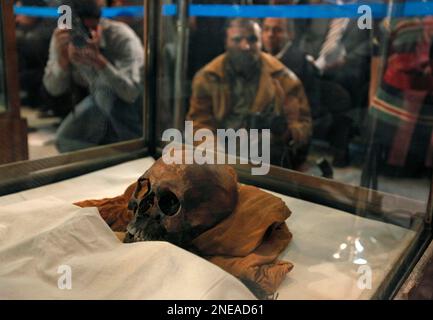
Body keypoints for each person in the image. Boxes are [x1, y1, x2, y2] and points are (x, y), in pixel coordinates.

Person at [187, 18, 312, 169]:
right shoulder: (207, 77)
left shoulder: (284, 79)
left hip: (269, 161)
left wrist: (285, 132)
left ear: (261, 42)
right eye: (237, 39)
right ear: (226, 42)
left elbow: (303, 127)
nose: (245, 46)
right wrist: (216, 154)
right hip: (221, 156)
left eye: (252, 39)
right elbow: (199, 123)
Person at [43, 0, 144, 152]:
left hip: (136, 101)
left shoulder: (121, 37)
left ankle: (128, 152)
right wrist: (62, 62)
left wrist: (100, 62)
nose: (83, 38)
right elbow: (53, 89)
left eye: (90, 30)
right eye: (77, 33)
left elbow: (131, 93)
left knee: (106, 96)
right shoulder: (62, 37)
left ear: (100, 22)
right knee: (65, 140)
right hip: (99, 98)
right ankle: (114, 157)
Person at [262, 17, 353, 167]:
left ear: (290, 34)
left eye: (277, 30)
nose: (270, 34)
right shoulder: (256, 59)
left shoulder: (301, 65)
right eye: (266, 29)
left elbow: (307, 112)